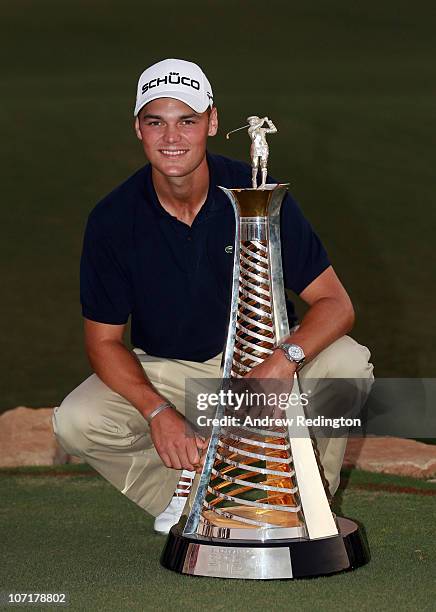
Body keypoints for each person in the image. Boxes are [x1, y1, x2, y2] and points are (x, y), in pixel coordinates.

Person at [52, 58, 374, 535]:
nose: (171, 138)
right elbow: (103, 342)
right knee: (77, 420)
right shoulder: (113, 219)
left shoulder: (257, 194)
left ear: (213, 122)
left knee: (347, 364)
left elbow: (336, 304)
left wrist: (282, 362)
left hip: (263, 359)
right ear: (137, 128)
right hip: (170, 368)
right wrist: (159, 413)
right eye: (155, 122)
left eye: (187, 120)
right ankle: (199, 504)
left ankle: (307, 502)